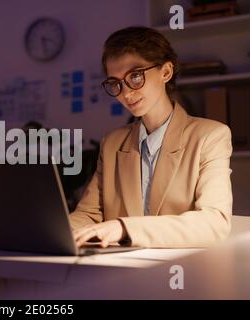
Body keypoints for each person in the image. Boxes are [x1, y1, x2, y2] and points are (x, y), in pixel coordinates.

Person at [70, 26, 232, 249]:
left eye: (135, 76)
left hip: (184, 271)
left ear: (166, 72)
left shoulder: (210, 136)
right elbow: (88, 214)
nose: (126, 93)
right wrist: (54, 230)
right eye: (115, 83)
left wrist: (124, 228)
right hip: (119, 270)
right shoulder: (112, 143)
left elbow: (214, 222)